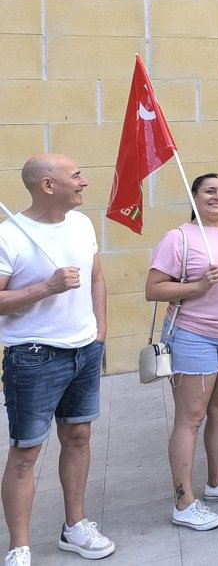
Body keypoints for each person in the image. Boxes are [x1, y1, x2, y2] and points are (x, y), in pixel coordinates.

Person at [0, 156, 114, 565]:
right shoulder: (9, 235)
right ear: (48, 186)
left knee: (79, 438)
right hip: (33, 357)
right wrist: (44, 288)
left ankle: (75, 526)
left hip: (84, 350)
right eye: (76, 176)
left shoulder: (81, 225)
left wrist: (99, 332)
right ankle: (19, 546)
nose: (84, 181)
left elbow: (96, 277)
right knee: (26, 453)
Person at [146, 173, 218, 531]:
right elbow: (154, 289)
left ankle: (217, 483)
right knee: (191, 418)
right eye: (210, 191)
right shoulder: (179, 237)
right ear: (194, 196)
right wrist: (197, 286)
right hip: (193, 336)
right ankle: (184, 502)